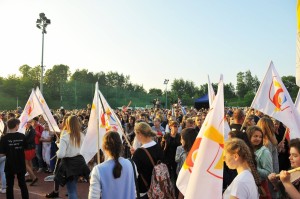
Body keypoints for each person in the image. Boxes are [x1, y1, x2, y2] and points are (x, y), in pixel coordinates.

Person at [89, 131, 136, 199]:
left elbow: (93, 197)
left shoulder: (98, 169)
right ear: (121, 146)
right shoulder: (131, 164)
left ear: (104, 147)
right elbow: (134, 192)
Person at [53, 115, 89, 199]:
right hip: (80, 162)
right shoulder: (82, 135)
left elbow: (61, 154)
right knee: (73, 188)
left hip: (69, 164)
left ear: (68, 124)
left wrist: (57, 151)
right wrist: (59, 145)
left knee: (71, 190)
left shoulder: (65, 136)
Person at [132, 122, 164, 199]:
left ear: (139, 134)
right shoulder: (157, 146)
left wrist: (134, 155)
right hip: (158, 188)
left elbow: (134, 174)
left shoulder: (139, 153)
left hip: (144, 190)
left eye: (136, 134)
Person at [0, 118, 29, 199]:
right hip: (20, 163)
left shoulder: (4, 138)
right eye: (18, 125)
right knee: (22, 184)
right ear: (16, 126)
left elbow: (2, 153)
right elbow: (26, 148)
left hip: (9, 164)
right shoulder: (22, 136)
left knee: (9, 185)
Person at [247, 126, 273, 199]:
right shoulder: (245, 149)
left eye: (260, 137)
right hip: (248, 185)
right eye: (255, 136)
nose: (258, 139)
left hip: (260, 187)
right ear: (249, 136)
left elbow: (268, 172)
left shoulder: (264, 152)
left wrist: (252, 167)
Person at [24, 121, 38, 186]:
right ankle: (31, 177)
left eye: (29, 122)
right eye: (27, 122)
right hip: (29, 148)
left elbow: (30, 140)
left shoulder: (32, 130)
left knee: (25, 163)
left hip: (29, 148)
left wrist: (22, 140)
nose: (27, 123)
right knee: (29, 162)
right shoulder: (28, 129)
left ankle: (34, 177)